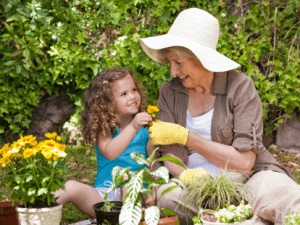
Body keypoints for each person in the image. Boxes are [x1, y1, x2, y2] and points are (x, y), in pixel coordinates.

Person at [139, 7, 300, 225]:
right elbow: (170, 155)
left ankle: (231, 217)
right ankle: (248, 219)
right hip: (195, 186)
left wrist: (188, 137)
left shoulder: (241, 87)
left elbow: (244, 162)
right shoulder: (169, 92)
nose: (172, 72)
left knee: (289, 196)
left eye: (178, 62)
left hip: (248, 178)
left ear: (201, 58)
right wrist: (190, 177)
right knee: (169, 197)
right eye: (170, 62)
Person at [54, 68, 154, 218]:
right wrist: (133, 126)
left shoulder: (146, 130)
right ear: (107, 102)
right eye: (124, 94)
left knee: (129, 179)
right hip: (103, 198)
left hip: (135, 193)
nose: (133, 96)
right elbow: (110, 152)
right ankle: (35, 211)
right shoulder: (105, 128)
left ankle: (128, 218)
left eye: (134, 89)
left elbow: (154, 163)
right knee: (69, 187)